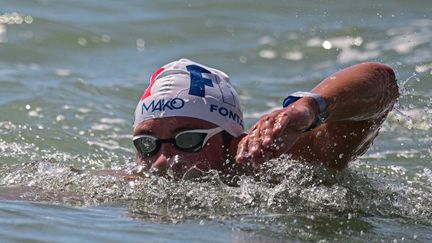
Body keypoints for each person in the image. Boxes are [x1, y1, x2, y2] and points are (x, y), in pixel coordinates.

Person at [132, 58, 399, 178]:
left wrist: (308, 110)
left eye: (188, 139)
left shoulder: (289, 162)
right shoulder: (131, 183)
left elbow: (383, 80)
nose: (162, 162)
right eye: (146, 144)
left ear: (233, 140)